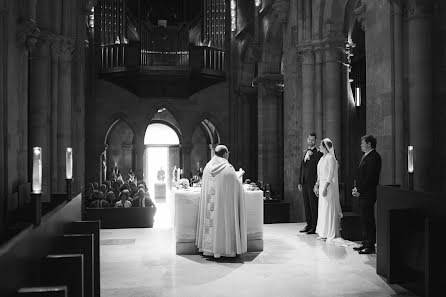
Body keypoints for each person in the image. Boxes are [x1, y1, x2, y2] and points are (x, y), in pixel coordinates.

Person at [195, 144, 247, 258]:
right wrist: (238, 178)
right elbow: (236, 187)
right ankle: (225, 250)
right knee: (223, 223)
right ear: (225, 154)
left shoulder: (208, 167)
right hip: (223, 206)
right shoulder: (228, 168)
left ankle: (209, 249)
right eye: (228, 153)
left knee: (211, 223)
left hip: (211, 207)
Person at [352, 134, 382, 254]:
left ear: (369, 144)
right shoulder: (366, 156)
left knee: (368, 219)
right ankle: (365, 242)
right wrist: (356, 188)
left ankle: (370, 245)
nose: (361, 145)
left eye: (363, 142)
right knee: (364, 218)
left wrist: (360, 190)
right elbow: (360, 175)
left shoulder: (374, 157)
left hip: (368, 193)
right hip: (362, 192)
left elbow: (370, 178)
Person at [314, 138, 343, 242]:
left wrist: (325, 187)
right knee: (322, 209)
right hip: (321, 184)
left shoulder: (331, 158)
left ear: (325, 147)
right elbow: (320, 174)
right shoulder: (322, 158)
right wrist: (317, 185)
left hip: (328, 186)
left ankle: (329, 232)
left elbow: (330, 175)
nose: (319, 147)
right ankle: (323, 232)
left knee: (327, 208)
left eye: (321, 145)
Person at [298, 132, 323, 234]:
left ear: (315, 141)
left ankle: (314, 225)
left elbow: (319, 169)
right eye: (309, 139)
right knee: (306, 204)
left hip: (312, 183)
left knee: (313, 205)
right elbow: (302, 168)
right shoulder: (305, 152)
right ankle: (308, 224)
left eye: (313, 140)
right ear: (307, 140)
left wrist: (317, 184)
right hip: (304, 182)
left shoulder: (318, 153)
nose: (311, 141)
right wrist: (300, 181)